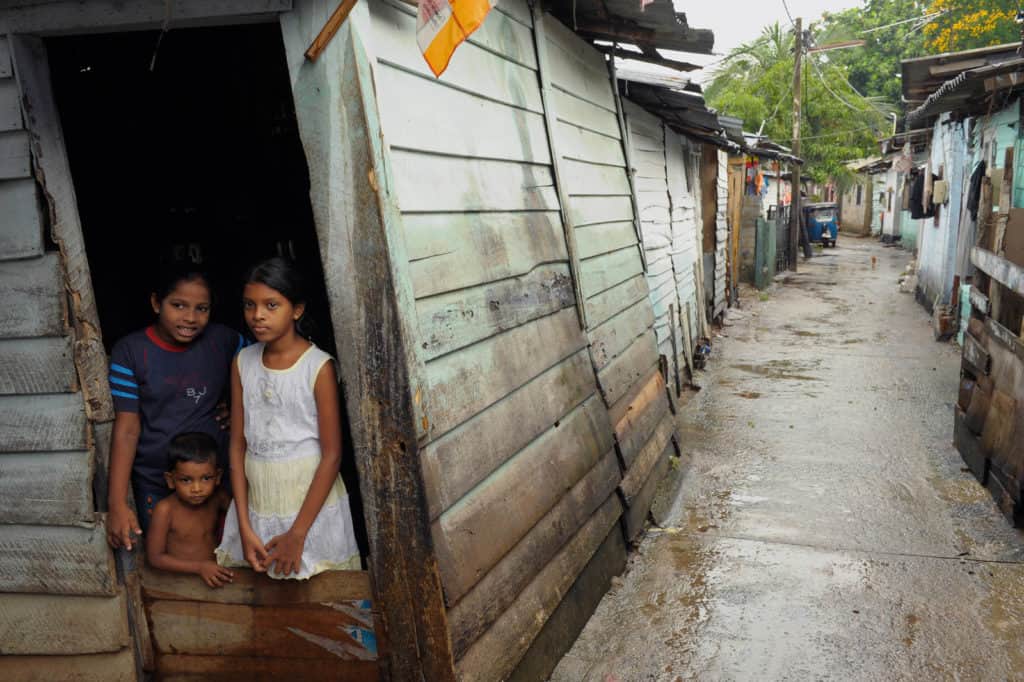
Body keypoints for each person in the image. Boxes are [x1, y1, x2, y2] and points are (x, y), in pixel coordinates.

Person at [216, 257, 360, 579]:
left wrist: (297, 535)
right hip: (258, 502)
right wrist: (244, 523)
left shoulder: (318, 366)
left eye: (271, 305)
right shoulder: (243, 362)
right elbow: (237, 445)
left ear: (296, 310)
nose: (257, 315)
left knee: (323, 595)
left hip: (309, 504)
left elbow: (333, 454)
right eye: (249, 305)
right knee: (266, 602)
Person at [106, 264, 246, 550]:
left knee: (226, 556)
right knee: (169, 561)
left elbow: (266, 362)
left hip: (217, 479)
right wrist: (117, 502)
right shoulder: (131, 351)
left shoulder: (224, 341)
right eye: (178, 305)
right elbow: (127, 429)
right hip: (157, 481)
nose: (191, 318)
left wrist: (242, 408)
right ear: (157, 303)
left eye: (202, 308)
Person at [146, 432, 234, 588]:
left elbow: (241, 515)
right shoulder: (165, 510)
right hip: (181, 584)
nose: (197, 489)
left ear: (218, 476)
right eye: (186, 480)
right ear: (170, 480)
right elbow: (155, 557)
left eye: (206, 478)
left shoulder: (217, 498)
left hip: (215, 576)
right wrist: (199, 568)